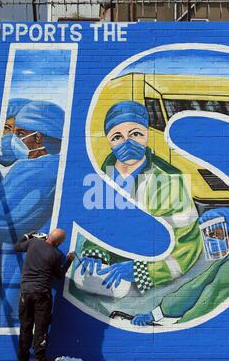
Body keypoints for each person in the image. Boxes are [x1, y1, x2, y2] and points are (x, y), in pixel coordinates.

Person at [76, 100, 202, 296]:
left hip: (152, 288)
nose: (127, 142)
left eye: (135, 134)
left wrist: (140, 270)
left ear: (147, 135)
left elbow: (187, 248)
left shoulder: (170, 183)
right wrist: (95, 252)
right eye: (118, 137)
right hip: (105, 280)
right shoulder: (103, 178)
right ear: (109, 142)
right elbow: (99, 227)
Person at [0, 98, 65, 328]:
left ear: (38, 138)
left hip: (24, 265)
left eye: (19, 132)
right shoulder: (49, 165)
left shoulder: (36, 169)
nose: (12, 139)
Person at [130, 207, 229, 326]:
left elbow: (213, 295)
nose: (209, 240)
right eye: (207, 236)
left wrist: (183, 324)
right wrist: (155, 314)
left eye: (213, 234)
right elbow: (195, 287)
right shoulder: (227, 258)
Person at [15, 228, 75, 361]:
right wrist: (69, 261)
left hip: (26, 292)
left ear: (48, 236)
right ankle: (39, 358)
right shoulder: (55, 254)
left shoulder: (33, 242)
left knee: (25, 325)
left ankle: (23, 359)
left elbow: (17, 246)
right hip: (42, 293)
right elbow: (59, 275)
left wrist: (27, 234)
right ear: (59, 243)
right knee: (41, 326)